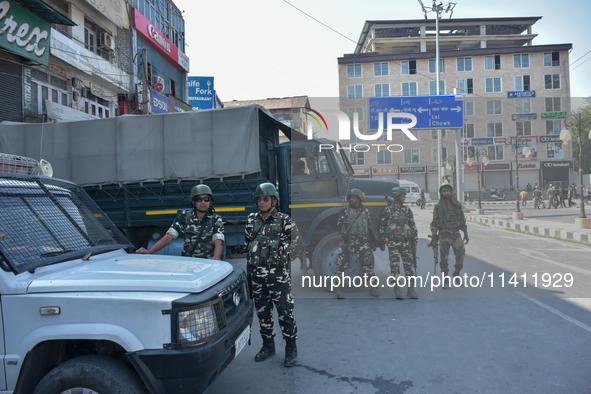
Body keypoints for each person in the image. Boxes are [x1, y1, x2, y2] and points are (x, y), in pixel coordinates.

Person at [245, 182, 303, 367]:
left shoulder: (285, 220)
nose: (261, 202)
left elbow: (299, 245)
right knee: (263, 314)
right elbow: (249, 244)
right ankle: (268, 346)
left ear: (274, 200)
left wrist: (283, 261)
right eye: (259, 199)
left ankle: (291, 348)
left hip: (278, 278)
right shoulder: (252, 220)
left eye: (265, 199)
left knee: (285, 313)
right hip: (257, 278)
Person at [136, 185, 224, 260]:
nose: (203, 202)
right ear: (193, 202)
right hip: (190, 263)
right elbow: (169, 237)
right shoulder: (184, 216)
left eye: (206, 199)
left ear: (210, 201)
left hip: (208, 264)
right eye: (199, 199)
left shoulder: (216, 219)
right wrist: (149, 252)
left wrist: (216, 258)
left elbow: (218, 241)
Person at [334, 188, 379, 299]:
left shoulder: (365, 211)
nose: (352, 199)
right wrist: (344, 239)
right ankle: (337, 289)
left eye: (354, 197)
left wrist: (370, 241)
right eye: (350, 197)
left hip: (362, 241)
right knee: (341, 265)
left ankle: (374, 288)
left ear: (359, 198)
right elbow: (339, 226)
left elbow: (368, 227)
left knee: (368, 265)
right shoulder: (345, 210)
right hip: (348, 240)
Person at [379, 187, 419, 299]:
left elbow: (413, 226)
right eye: (403, 196)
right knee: (395, 267)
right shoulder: (387, 210)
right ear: (397, 197)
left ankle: (410, 290)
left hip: (406, 243)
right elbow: (382, 227)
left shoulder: (407, 211)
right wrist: (386, 241)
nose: (404, 198)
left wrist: (415, 241)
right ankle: (397, 289)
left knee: (409, 267)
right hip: (393, 244)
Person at [429, 182, 468, 288]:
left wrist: (466, 233)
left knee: (461, 255)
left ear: (451, 192)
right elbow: (434, 223)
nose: (447, 193)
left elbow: (462, 220)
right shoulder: (438, 207)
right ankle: (446, 279)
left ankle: (456, 273)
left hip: (455, 234)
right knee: (444, 259)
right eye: (444, 191)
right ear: (441, 193)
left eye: (448, 191)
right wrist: (434, 236)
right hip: (443, 235)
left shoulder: (457, 205)